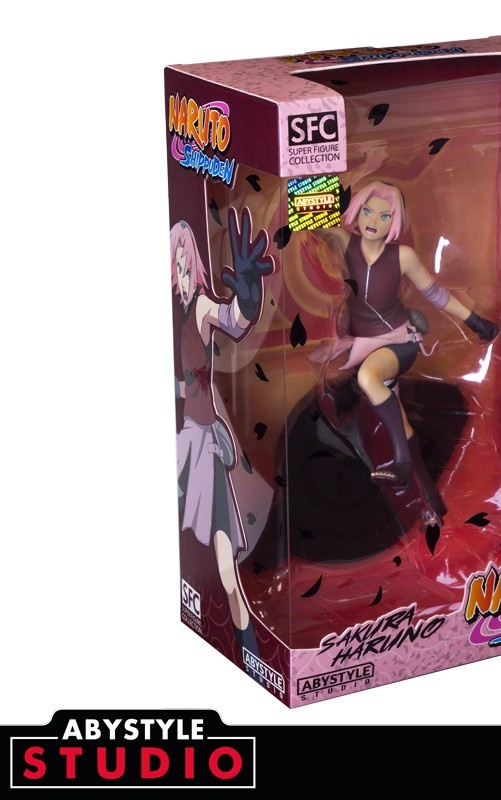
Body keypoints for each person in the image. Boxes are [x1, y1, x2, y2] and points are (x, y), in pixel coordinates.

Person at [314, 181, 499, 525]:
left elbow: (436, 294)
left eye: (385, 216)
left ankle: (400, 463)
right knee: (398, 420)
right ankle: (431, 500)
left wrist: (475, 321)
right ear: (356, 211)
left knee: (369, 378)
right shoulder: (344, 242)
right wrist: (315, 182)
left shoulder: (402, 256)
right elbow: (309, 219)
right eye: (367, 211)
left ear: (395, 221)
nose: (374, 221)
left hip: (399, 341)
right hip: (364, 344)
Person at [172, 208, 274, 685]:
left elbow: (232, 319)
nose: (181, 274)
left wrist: (249, 293)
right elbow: (185, 383)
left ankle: (251, 653)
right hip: (185, 444)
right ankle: (245, 651)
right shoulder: (174, 315)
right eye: (175, 266)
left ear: (194, 264)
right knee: (213, 564)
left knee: (226, 568)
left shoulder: (199, 308)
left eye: (185, 263)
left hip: (207, 448)